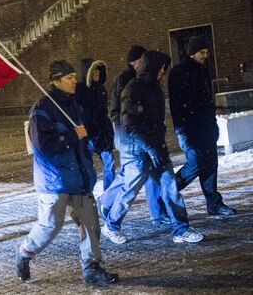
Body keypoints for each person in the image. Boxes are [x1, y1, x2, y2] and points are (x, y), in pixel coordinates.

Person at [14, 60, 117, 285]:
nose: (74, 81)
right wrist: (72, 135)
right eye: (68, 78)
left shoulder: (73, 105)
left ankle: (91, 268)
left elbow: (85, 134)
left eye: (73, 76)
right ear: (56, 81)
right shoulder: (41, 109)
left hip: (79, 177)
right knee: (50, 226)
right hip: (55, 181)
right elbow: (42, 146)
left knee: (90, 223)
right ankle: (24, 252)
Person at [100, 51, 205, 245]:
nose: (163, 70)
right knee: (129, 190)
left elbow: (155, 119)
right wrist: (148, 145)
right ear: (152, 67)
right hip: (137, 151)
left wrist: (157, 141)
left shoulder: (154, 88)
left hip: (157, 147)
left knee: (170, 186)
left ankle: (180, 229)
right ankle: (111, 225)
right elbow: (130, 123)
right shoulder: (133, 88)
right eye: (161, 67)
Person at [168, 36, 236, 216]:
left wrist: (213, 125)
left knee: (210, 164)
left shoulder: (202, 71)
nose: (205, 55)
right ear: (192, 53)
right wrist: (181, 131)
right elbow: (176, 104)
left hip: (205, 126)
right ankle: (167, 192)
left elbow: (207, 101)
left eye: (206, 52)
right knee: (196, 163)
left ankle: (214, 203)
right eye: (202, 52)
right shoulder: (178, 73)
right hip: (191, 128)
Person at [107, 45, 169, 225]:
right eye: (138, 61)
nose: (140, 64)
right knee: (130, 178)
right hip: (129, 135)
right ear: (132, 62)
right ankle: (108, 209)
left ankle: (157, 212)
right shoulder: (125, 80)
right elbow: (117, 110)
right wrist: (121, 132)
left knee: (147, 174)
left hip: (142, 134)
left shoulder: (147, 81)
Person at [74, 59, 115, 190]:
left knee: (109, 163)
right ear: (88, 71)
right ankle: (87, 194)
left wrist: (107, 131)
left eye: (99, 70)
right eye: (94, 70)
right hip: (88, 136)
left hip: (102, 135)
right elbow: (79, 113)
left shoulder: (101, 89)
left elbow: (103, 113)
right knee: (87, 167)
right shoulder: (79, 90)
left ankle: (109, 194)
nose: (97, 73)